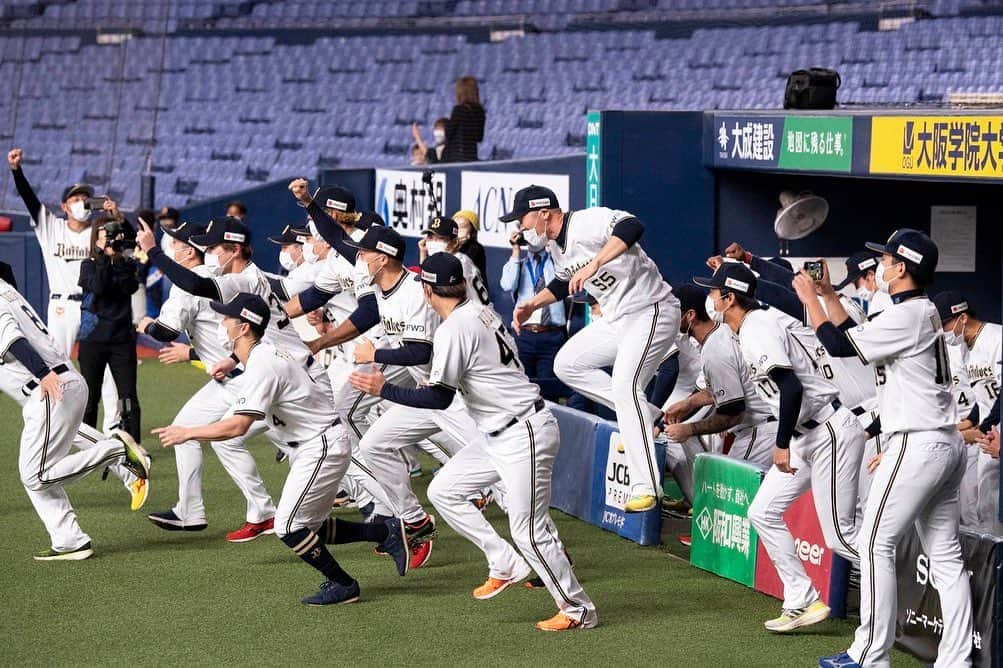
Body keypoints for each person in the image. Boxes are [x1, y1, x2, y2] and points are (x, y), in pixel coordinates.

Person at [350, 252, 597, 631]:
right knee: (445, 490)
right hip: (501, 432)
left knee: (529, 531)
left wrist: (384, 388)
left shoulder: (454, 329)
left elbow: (438, 398)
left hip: (523, 432)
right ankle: (504, 562)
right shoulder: (479, 311)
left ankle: (578, 610)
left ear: (430, 291)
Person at [151, 293, 411, 606]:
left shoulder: (264, 364)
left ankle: (344, 584)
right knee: (309, 526)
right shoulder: (258, 356)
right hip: (315, 443)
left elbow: (237, 427)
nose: (221, 324)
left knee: (288, 527)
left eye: (227, 319)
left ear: (244, 328)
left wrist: (188, 432)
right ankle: (387, 533)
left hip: (321, 445)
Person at [792, 230, 972, 668]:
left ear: (902, 268)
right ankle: (956, 661)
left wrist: (808, 299)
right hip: (943, 441)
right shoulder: (917, 311)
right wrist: (830, 295)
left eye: (887, 259)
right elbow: (856, 336)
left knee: (875, 543)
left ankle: (869, 655)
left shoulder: (907, 315)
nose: (881, 265)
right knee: (945, 557)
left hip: (917, 440)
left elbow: (837, 345)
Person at [694, 262, 865, 634]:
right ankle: (802, 597)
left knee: (840, 534)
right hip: (808, 434)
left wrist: (781, 443)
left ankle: (894, 584)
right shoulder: (746, 329)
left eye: (713, 292)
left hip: (828, 431)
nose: (709, 297)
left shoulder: (757, 328)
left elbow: (792, 388)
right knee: (762, 511)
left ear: (730, 297)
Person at [508, 185, 680, 512]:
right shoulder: (557, 249)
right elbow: (561, 283)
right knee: (567, 364)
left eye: (524, 219)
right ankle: (648, 415)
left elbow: (632, 226)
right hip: (617, 318)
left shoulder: (587, 222)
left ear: (544, 212)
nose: (522, 228)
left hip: (652, 309)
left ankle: (648, 487)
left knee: (625, 386)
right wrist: (532, 304)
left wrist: (595, 263)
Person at [137, 221, 277, 542]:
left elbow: (166, 330)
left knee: (295, 440)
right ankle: (190, 510)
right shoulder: (225, 277)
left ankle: (368, 500)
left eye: (173, 243)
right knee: (183, 430)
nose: (209, 251)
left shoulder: (203, 280)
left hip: (251, 378)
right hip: (231, 373)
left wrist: (145, 325)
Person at [0, 272, 150, 560]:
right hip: (62, 386)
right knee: (44, 459)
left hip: (48, 389)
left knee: (35, 474)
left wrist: (43, 374)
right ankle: (69, 540)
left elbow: (14, 340)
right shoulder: (7, 291)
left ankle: (117, 450)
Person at [7, 147, 122, 434]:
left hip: (93, 306)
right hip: (60, 307)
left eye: (86, 198)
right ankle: (60, 423)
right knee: (55, 364)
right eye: (75, 198)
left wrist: (116, 217)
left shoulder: (100, 231)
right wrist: (16, 171)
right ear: (64, 206)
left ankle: (113, 429)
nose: (82, 202)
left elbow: (124, 247)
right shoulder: (51, 227)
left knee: (105, 368)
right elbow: (29, 200)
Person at [660, 284, 776, 504]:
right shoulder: (722, 331)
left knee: (724, 498)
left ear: (690, 315)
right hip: (768, 423)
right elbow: (724, 388)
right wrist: (690, 403)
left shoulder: (715, 350)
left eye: (673, 313)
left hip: (760, 430)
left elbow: (732, 414)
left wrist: (689, 429)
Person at [933, 290, 1002, 535]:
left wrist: (980, 430)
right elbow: (981, 394)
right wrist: (971, 421)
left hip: (994, 431)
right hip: (988, 433)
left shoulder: (996, 338)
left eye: (945, 324)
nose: (942, 331)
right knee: (984, 505)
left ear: (962, 317)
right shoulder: (965, 348)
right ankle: (991, 567)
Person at [77, 218, 142, 442]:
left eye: (115, 236)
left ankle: (133, 446)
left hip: (121, 339)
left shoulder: (127, 264)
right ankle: (89, 447)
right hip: (92, 340)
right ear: (96, 239)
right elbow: (98, 287)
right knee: (90, 396)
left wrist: (119, 258)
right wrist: (105, 257)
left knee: (127, 396)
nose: (112, 240)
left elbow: (129, 286)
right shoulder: (88, 265)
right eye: (107, 236)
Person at [500, 226, 569, 402]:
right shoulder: (519, 265)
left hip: (551, 335)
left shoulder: (557, 262)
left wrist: (552, 244)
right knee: (522, 389)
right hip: (524, 336)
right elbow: (507, 285)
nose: (533, 236)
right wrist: (516, 250)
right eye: (527, 231)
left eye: (536, 231)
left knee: (548, 392)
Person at [419, 215, 492, 306]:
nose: (434, 242)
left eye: (440, 238)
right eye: (430, 237)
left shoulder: (458, 264)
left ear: (454, 242)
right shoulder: (448, 260)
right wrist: (423, 253)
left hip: (479, 315)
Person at [442, 76, 484, 163]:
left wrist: (446, 124)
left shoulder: (459, 109)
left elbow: (449, 133)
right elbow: (479, 137)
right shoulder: (480, 111)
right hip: (471, 155)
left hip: (457, 156)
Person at [453, 209, 488, 280]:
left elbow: (461, 266)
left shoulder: (475, 248)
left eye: (462, 227)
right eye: (455, 226)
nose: (457, 230)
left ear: (473, 232)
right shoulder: (451, 245)